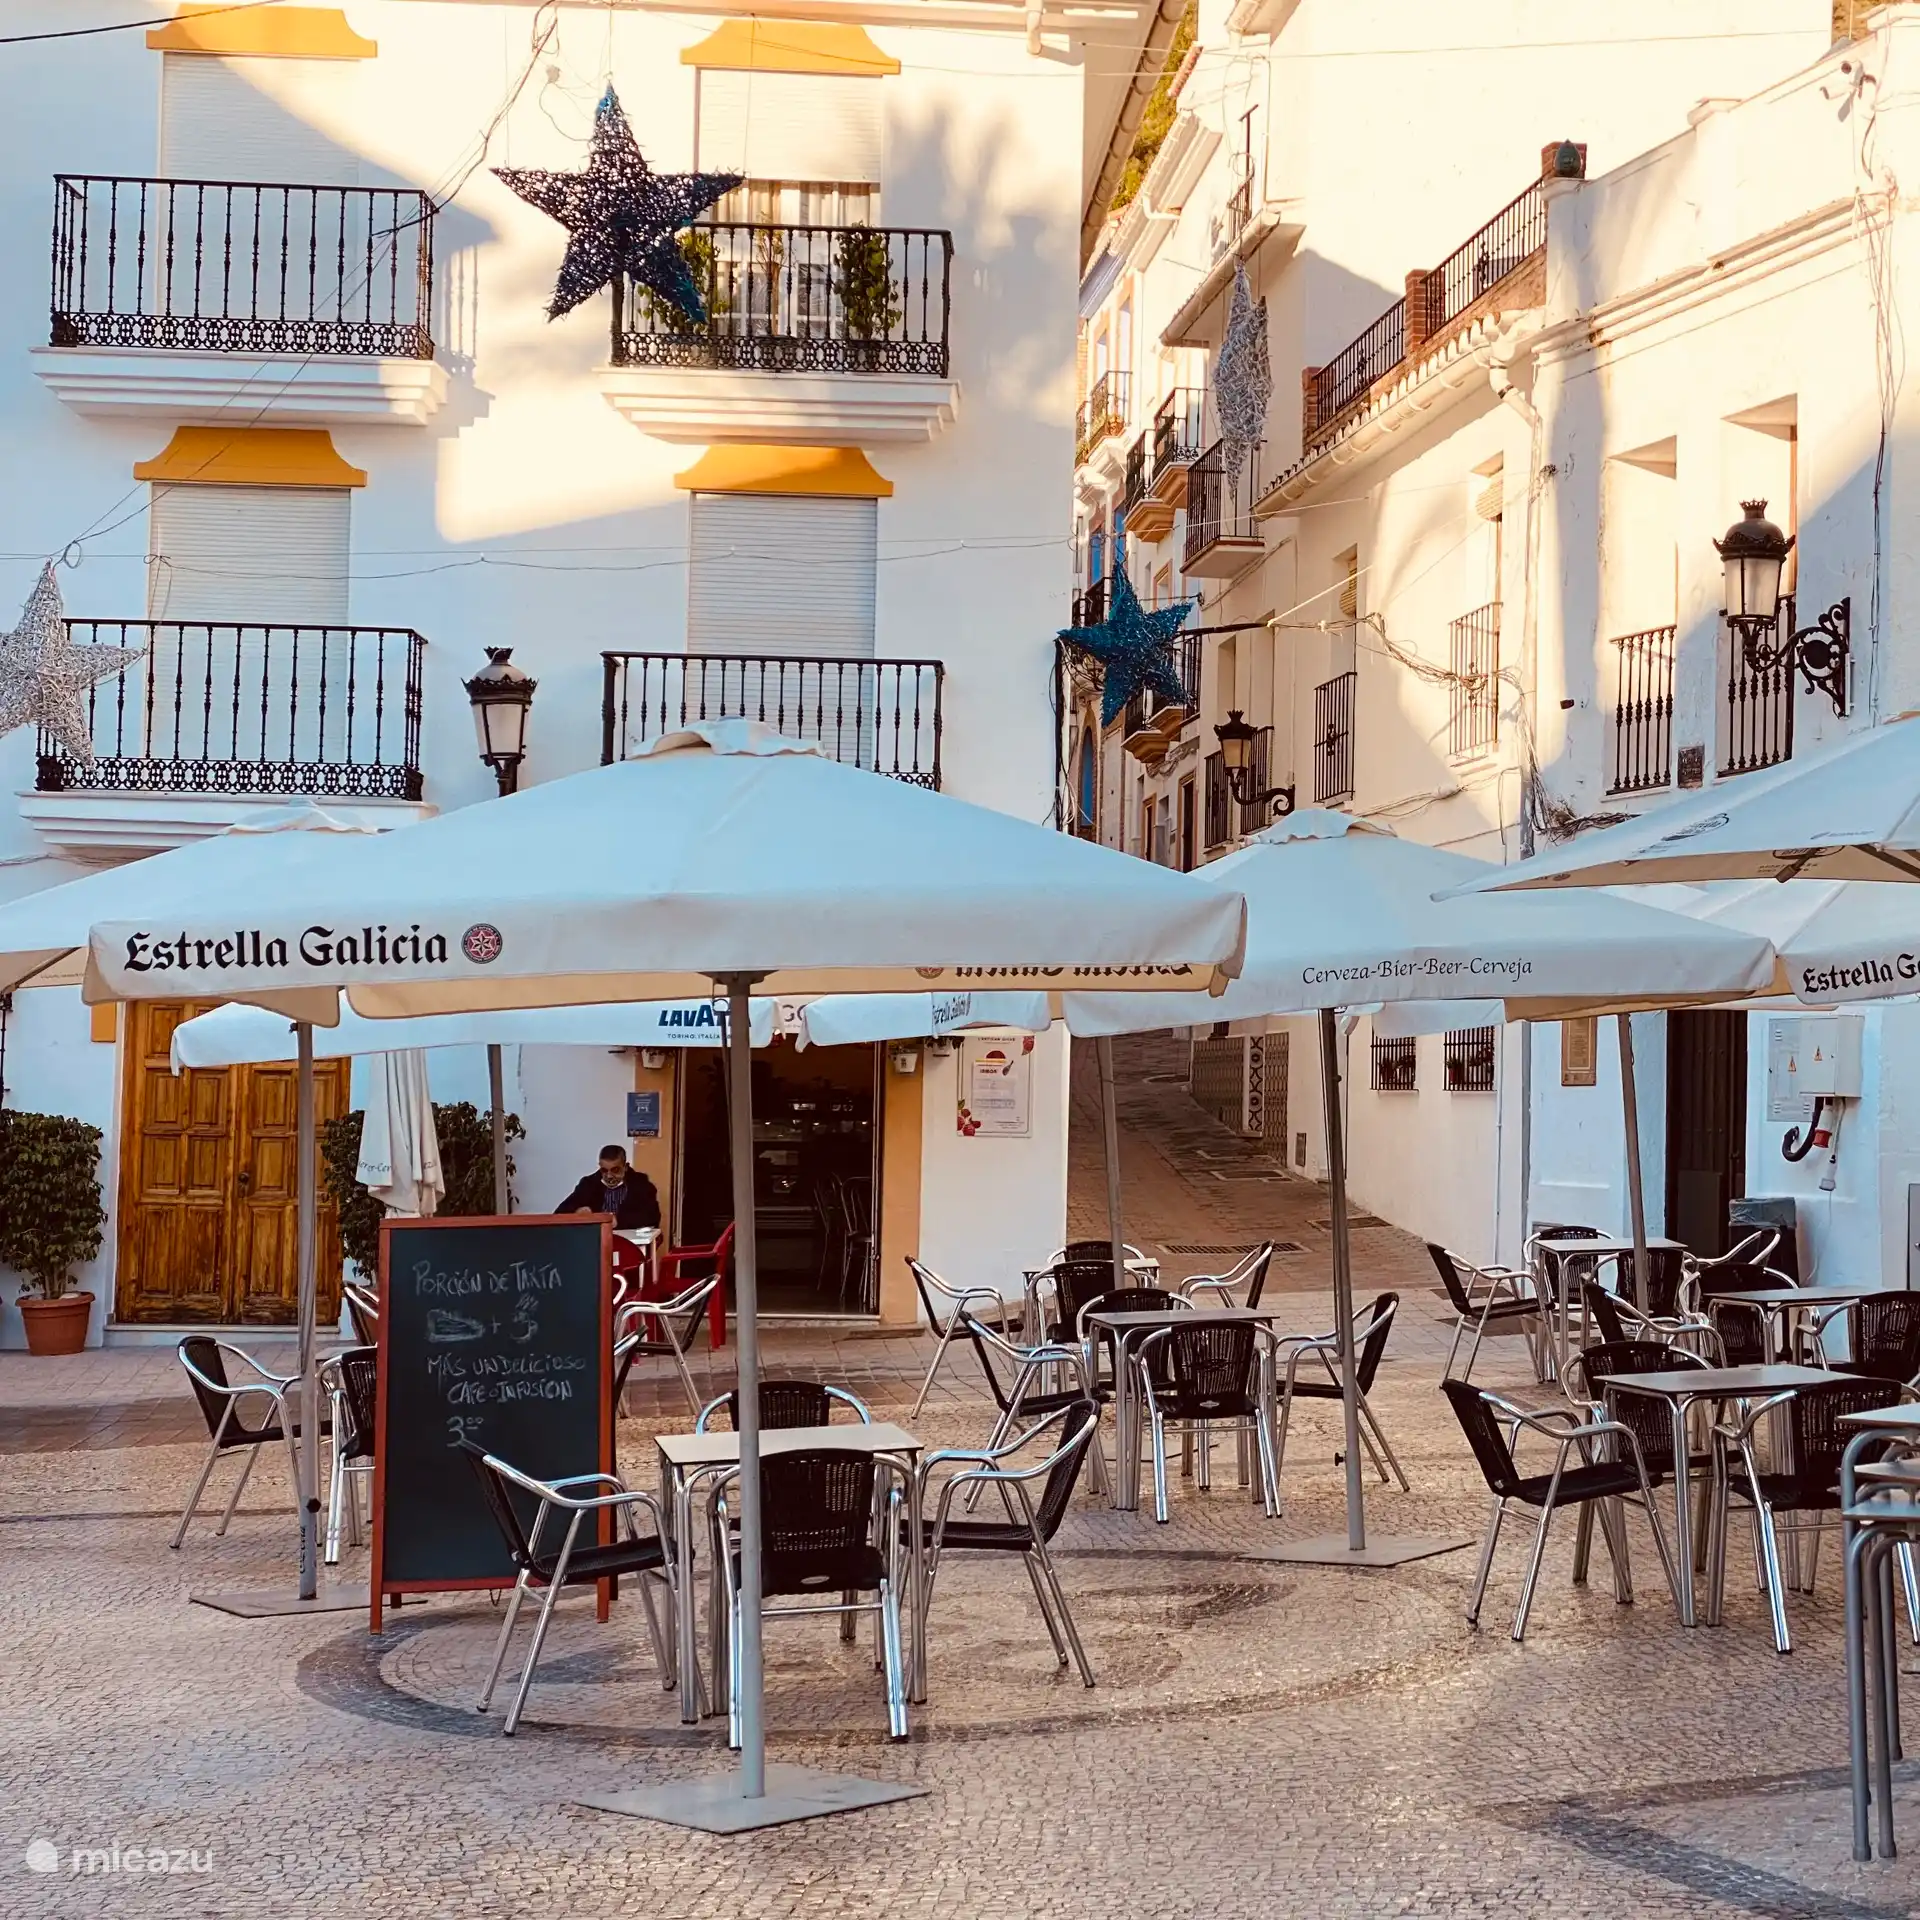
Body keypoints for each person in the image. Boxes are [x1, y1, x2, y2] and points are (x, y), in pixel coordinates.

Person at [556, 1144, 661, 1231]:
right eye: (604, 1171)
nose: (609, 1176)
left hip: (629, 1241)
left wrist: (618, 1220)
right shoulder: (588, 1184)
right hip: (595, 1241)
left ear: (625, 1167)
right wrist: (577, 1212)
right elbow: (559, 1214)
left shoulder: (641, 1185)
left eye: (615, 1170)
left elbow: (652, 1216)